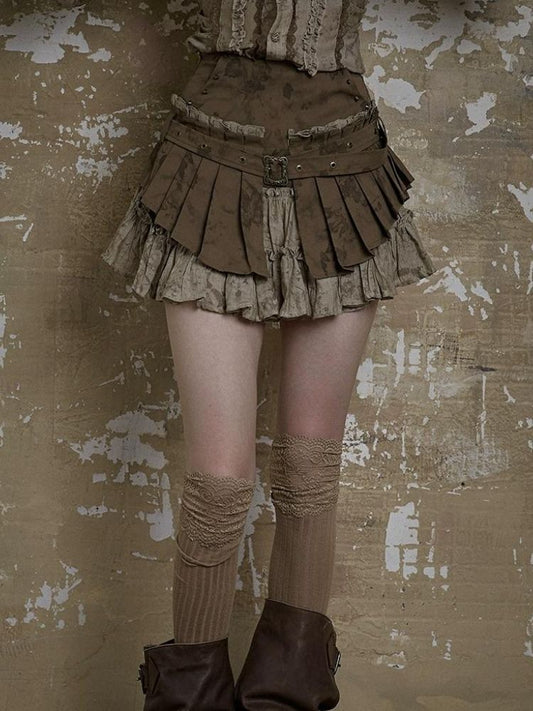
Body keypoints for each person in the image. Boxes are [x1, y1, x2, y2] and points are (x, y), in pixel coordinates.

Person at [99, 2, 437, 709]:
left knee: (309, 465)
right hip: (206, 173)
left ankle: (289, 695)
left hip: (342, 175)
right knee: (219, 483)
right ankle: (191, 698)